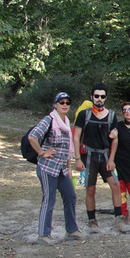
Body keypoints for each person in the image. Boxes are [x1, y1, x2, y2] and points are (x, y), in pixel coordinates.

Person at [28, 92, 86, 245]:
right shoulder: (49, 120)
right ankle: (43, 234)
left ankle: (72, 230)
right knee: (49, 199)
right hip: (47, 168)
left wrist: (68, 167)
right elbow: (32, 136)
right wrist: (41, 152)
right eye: (61, 102)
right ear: (55, 105)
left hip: (61, 169)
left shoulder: (66, 122)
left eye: (67, 102)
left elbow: (67, 149)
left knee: (70, 196)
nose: (65, 105)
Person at [72, 83, 128, 233]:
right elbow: (76, 137)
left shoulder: (111, 115)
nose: (99, 99)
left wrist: (111, 159)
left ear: (105, 98)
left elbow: (115, 139)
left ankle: (118, 220)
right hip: (88, 156)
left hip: (104, 155)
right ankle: (92, 221)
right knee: (90, 188)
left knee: (115, 185)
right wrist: (77, 159)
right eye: (96, 96)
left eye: (102, 96)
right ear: (91, 97)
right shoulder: (84, 114)